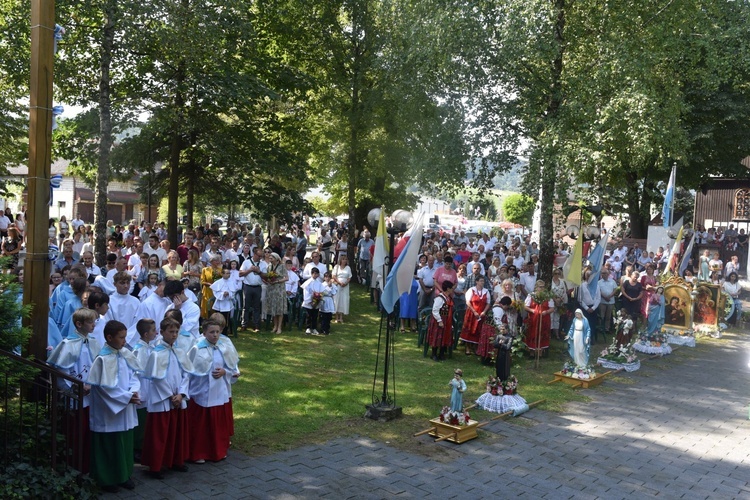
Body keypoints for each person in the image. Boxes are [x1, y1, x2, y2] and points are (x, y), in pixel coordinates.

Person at [86, 320, 141, 492]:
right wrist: (126, 397)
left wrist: (134, 391)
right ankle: (107, 479)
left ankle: (124, 475)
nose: (125, 341)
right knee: (109, 444)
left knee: (124, 441)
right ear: (109, 337)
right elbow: (102, 388)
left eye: (125, 337)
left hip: (125, 406)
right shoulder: (102, 359)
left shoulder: (125, 353)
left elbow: (134, 374)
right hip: (108, 411)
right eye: (121, 337)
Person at [47, 307, 102, 473]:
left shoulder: (93, 342)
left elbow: (98, 366)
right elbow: (61, 371)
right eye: (90, 321)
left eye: (94, 321)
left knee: (89, 435)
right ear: (79, 324)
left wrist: (92, 384)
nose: (93, 324)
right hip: (75, 397)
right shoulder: (67, 344)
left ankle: (88, 468)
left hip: (90, 395)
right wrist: (74, 388)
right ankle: (74, 469)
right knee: (76, 435)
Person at [141, 317, 193, 479]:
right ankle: (156, 466)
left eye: (177, 331)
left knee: (177, 431)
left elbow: (187, 373)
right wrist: (171, 396)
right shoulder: (156, 354)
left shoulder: (179, 351)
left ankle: (176, 460)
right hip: (163, 399)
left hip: (177, 398)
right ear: (162, 332)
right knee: (160, 434)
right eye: (171, 331)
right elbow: (156, 378)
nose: (174, 335)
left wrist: (181, 394)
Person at [187, 320, 240, 463]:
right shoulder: (197, 349)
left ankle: (218, 451)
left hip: (219, 390)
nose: (215, 335)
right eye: (211, 332)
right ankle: (199, 453)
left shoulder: (223, 347)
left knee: (217, 424)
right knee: (201, 425)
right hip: (202, 392)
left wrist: (225, 372)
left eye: (217, 332)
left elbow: (231, 368)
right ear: (204, 333)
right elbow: (188, 371)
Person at [132, 318, 157, 463]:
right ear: (146, 334)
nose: (156, 332)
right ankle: (137, 448)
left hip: (150, 389)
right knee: (140, 420)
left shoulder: (150, 347)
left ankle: (143, 446)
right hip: (142, 389)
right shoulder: (139, 350)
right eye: (153, 330)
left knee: (146, 419)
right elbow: (138, 372)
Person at [459, 275, 491, 356]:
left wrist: (484, 312)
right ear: (476, 281)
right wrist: (474, 311)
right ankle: (467, 347)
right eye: (480, 281)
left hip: (481, 314)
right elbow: (468, 302)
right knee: (469, 329)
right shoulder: (471, 290)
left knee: (479, 330)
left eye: (483, 281)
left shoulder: (486, 291)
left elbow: (488, 303)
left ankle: (476, 347)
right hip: (472, 313)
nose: (482, 282)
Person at [239, 246, 267, 332]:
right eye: (259, 256)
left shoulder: (262, 264)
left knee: (257, 307)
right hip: (248, 286)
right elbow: (240, 274)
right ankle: (244, 324)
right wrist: (250, 270)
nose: (260, 258)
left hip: (257, 287)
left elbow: (266, 276)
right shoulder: (246, 262)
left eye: (261, 256)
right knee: (246, 306)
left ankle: (256, 325)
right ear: (254, 254)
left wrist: (259, 272)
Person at [427, 281, 455, 362]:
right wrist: (439, 321)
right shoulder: (440, 298)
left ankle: (441, 354)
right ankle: (434, 354)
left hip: (447, 320)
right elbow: (435, 310)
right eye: (452, 288)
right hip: (439, 320)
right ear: (448, 289)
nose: (453, 290)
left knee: (444, 336)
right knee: (437, 336)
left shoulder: (448, 298)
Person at [524, 281, 554, 356]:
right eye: (540, 287)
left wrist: (546, 312)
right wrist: (532, 310)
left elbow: (552, 308)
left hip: (544, 318)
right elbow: (525, 306)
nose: (542, 288)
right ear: (536, 287)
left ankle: (540, 353)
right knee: (532, 333)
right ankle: (532, 352)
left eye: (543, 287)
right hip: (533, 318)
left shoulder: (547, 296)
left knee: (543, 333)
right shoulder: (531, 295)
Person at [264, 252, 288, 334]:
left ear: (276, 258)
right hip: (271, 289)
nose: (270, 259)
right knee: (273, 308)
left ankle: (279, 327)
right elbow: (268, 276)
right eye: (269, 258)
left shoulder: (282, 266)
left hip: (279, 289)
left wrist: (277, 281)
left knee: (279, 308)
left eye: (272, 258)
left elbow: (286, 278)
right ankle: (275, 325)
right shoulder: (269, 266)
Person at [211, 264, 239, 335]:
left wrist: (228, 294)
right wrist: (222, 294)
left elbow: (233, 292)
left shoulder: (232, 282)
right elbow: (215, 291)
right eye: (226, 273)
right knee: (217, 318)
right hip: (219, 303)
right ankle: (216, 331)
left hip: (227, 303)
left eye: (228, 273)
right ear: (222, 274)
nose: (227, 275)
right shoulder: (218, 282)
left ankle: (225, 332)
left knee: (226, 318)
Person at [301, 267, 324, 335]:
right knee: (309, 315)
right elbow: (306, 292)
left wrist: (317, 300)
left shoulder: (319, 283)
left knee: (315, 316)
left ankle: (314, 328)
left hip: (316, 302)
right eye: (314, 273)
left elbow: (321, 291)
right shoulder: (308, 282)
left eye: (317, 274)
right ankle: (308, 328)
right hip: (309, 302)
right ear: (311, 274)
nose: (315, 275)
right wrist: (310, 301)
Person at [332, 255, 352, 324]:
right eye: (343, 259)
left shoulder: (348, 268)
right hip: (338, 284)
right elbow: (334, 276)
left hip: (345, 286)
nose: (344, 261)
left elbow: (349, 277)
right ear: (340, 260)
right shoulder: (336, 267)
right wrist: (339, 282)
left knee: (344, 299)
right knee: (337, 298)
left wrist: (345, 283)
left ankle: (341, 317)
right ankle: (336, 316)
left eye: (346, 259)